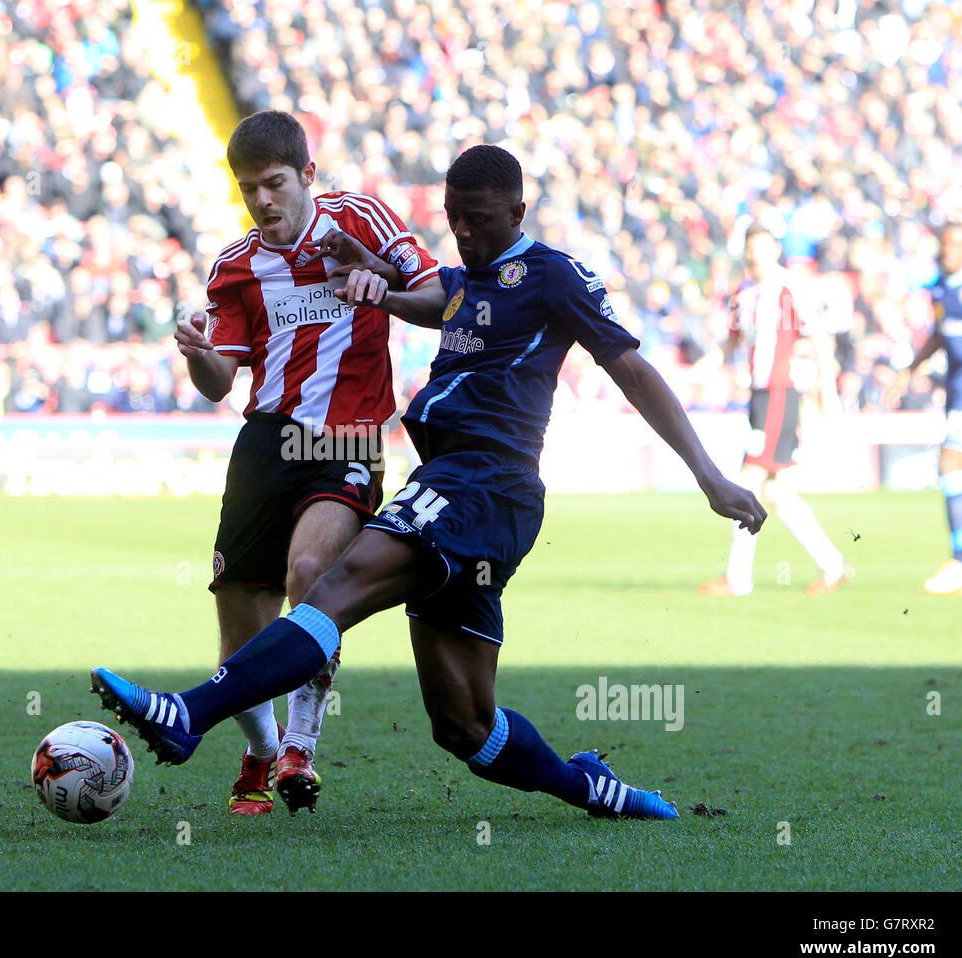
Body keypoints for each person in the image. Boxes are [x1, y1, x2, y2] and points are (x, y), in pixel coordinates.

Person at [90, 146, 766, 820]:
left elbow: (634, 370)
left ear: (517, 212)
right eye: (452, 219)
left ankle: (190, 714)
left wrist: (708, 476)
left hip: (485, 482)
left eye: (477, 219)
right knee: (464, 726)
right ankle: (593, 788)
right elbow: (433, 299)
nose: (464, 233)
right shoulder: (467, 276)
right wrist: (377, 283)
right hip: (462, 489)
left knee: (333, 584)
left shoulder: (553, 277)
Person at [174, 110, 441, 815]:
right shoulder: (236, 266)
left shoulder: (362, 221)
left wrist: (381, 285)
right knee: (240, 631)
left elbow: (444, 297)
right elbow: (219, 381)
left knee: (308, 574)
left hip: (344, 440)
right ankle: (261, 751)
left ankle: (300, 744)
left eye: (275, 184)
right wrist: (198, 353)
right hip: (264, 441)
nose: (263, 201)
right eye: (248, 189)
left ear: (307, 177)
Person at [699, 225, 851, 597]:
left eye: (763, 249)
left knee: (745, 481)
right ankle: (833, 565)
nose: (756, 256)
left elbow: (816, 335)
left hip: (779, 391)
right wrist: (699, 372)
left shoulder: (789, 288)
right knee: (777, 490)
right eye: (751, 249)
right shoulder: (744, 292)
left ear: (775, 251)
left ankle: (738, 579)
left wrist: (828, 391)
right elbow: (731, 342)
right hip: (760, 395)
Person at [883, 223, 962, 595]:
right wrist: (911, 370)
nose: (947, 252)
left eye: (955, 245)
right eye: (943, 246)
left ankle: (959, 561)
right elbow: (941, 334)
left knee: (950, 465)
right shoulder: (942, 284)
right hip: (960, 389)